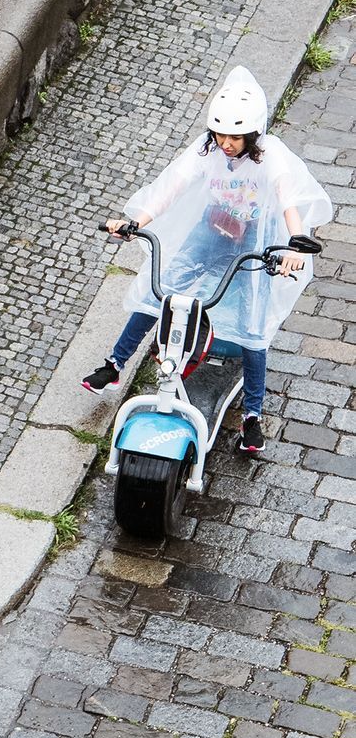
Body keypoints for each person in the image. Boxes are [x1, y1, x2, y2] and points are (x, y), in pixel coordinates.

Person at [82, 65, 331, 454]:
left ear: (253, 133)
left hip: (255, 236)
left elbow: (288, 198)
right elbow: (172, 185)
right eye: (220, 133)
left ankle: (252, 415)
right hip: (211, 229)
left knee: (254, 325)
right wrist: (135, 222)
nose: (226, 143)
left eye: (235, 136)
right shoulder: (206, 148)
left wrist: (295, 245)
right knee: (161, 289)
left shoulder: (271, 157)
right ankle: (115, 364)